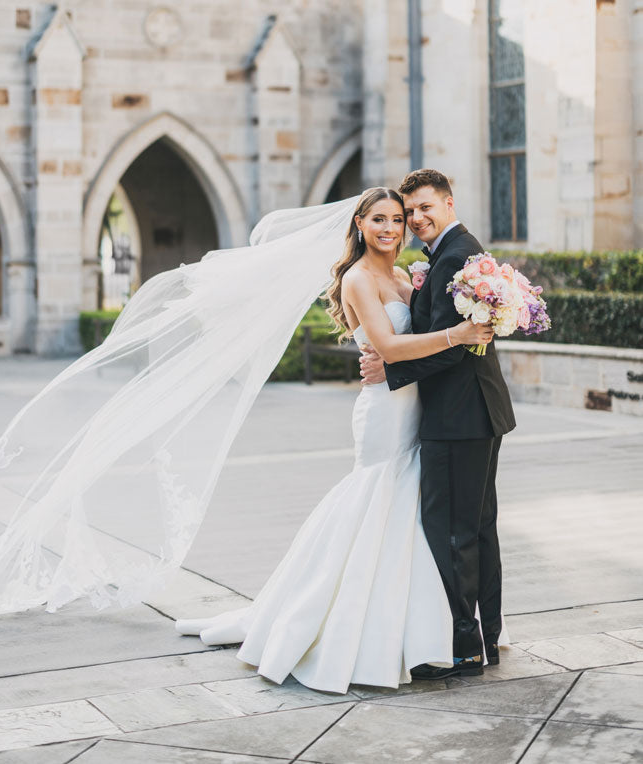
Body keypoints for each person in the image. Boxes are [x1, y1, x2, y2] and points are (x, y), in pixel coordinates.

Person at [175, 187, 494, 692]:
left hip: (416, 405)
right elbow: (388, 345)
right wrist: (459, 335)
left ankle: (417, 633)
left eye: (398, 219)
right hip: (385, 412)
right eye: (380, 220)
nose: (392, 228)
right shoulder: (358, 278)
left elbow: (418, 333)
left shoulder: (402, 275)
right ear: (360, 225)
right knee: (373, 501)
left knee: (408, 514)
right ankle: (340, 622)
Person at [360, 169, 516, 679]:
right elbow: (451, 334)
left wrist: (392, 368)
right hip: (474, 411)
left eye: (425, 208)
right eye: (411, 213)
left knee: (452, 531)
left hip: (456, 416)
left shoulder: (454, 257)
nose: (416, 219)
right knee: (478, 528)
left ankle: (464, 646)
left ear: (449, 203)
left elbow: (455, 345)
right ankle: (487, 634)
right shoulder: (456, 255)